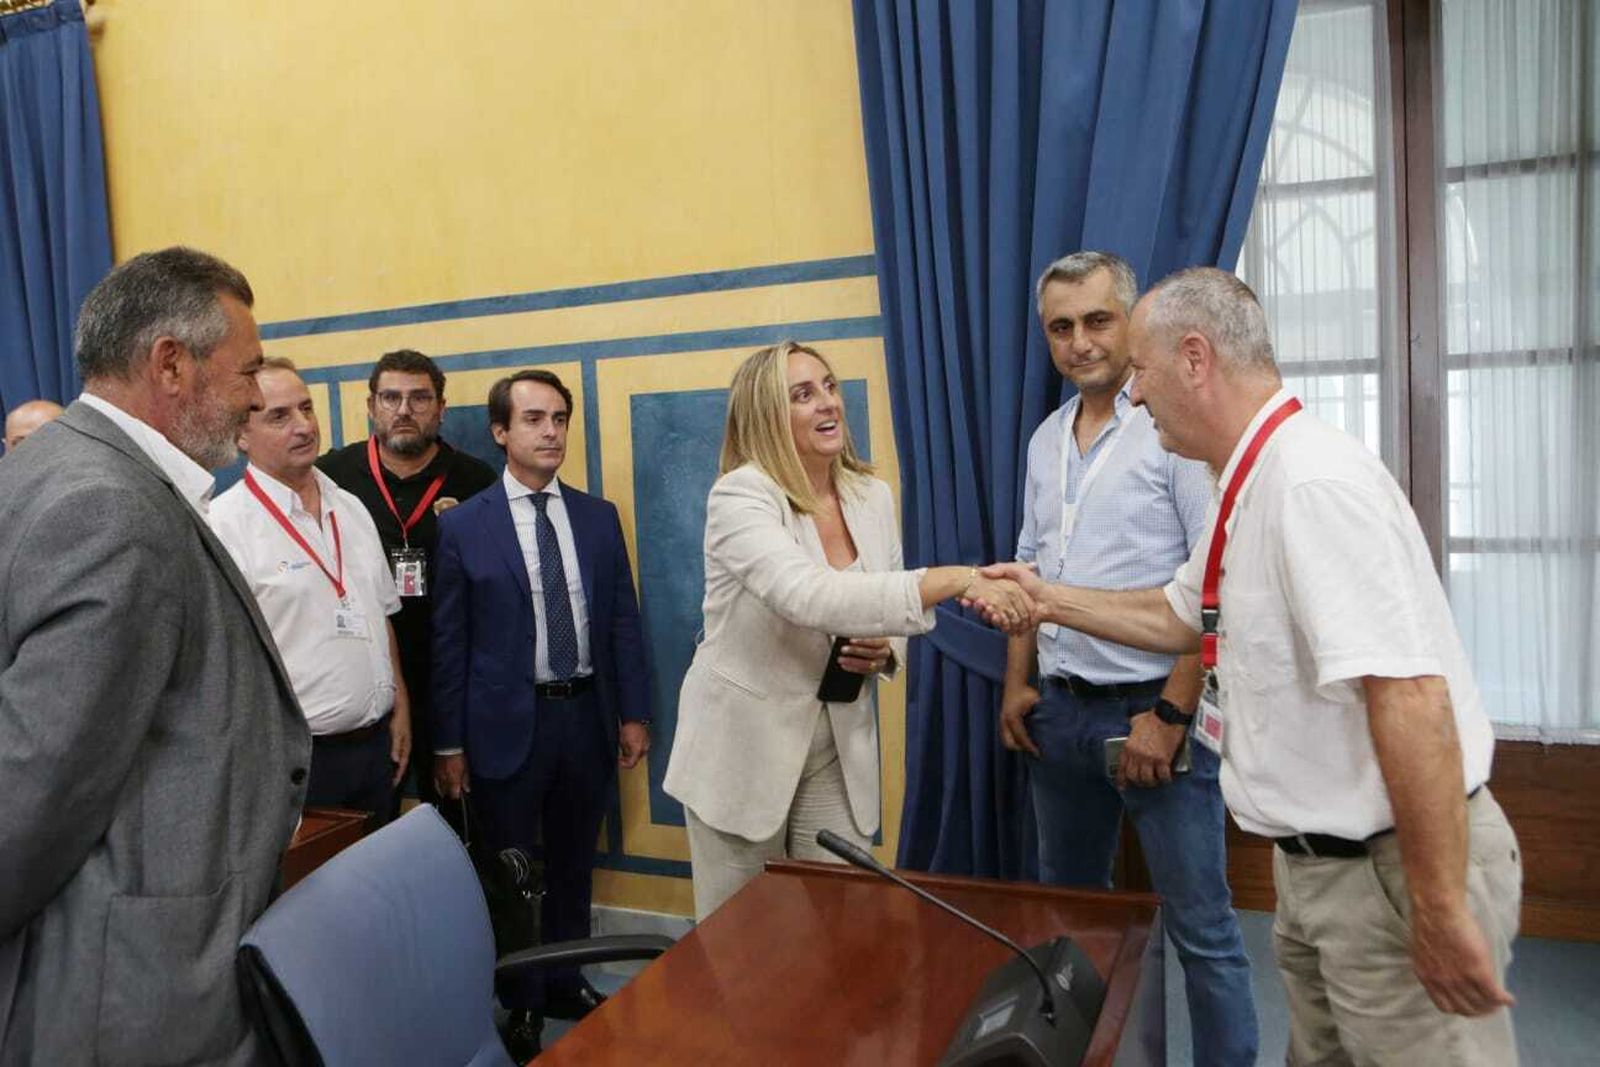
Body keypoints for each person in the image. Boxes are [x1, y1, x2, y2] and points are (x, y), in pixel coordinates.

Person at [977, 267, 1520, 1065]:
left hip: (1391, 873)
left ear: (1195, 359)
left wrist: (1436, 908)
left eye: (1144, 374)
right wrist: (1046, 598)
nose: (1133, 398)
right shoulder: (1245, 480)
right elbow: (1173, 611)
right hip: (1321, 870)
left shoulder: (1310, 484)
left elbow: (1411, 698)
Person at [0, 247, 309, 1064]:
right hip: (138, 992)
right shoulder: (110, 508)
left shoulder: (76, 469)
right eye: (246, 370)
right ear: (170, 362)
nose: (254, 394)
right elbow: (31, 795)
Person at [662, 341, 1036, 922]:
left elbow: (884, 608)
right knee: (744, 947)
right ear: (767, 414)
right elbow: (807, 595)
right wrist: (959, 579)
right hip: (741, 752)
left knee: (843, 922)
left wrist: (887, 649)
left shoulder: (871, 495)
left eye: (829, 386)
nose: (827, 403)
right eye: (803, 395)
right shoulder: (741, 496)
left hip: (836, 746)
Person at [1003, 252, 1255, 1065]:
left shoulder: (1174, 430)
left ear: (1131, 319)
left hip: (1156, 714)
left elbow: (1208, 591)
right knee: (1072, 922)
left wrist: (1172, 715)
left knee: (1202, 932)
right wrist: (1017, 684)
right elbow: (1028, 569)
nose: (1080, 343)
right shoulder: (1045, 442)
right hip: (1062, 715)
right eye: (1061, 327)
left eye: (1098, 321)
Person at [430, 368, 650, 1058]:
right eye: (533, 419)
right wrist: (447, 744)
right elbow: (449, 643)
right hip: (503, 726)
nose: (551, 430)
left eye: (559, 417)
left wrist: (634, 712)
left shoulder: (596, 515)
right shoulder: (465, 526)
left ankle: (564, 978)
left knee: (575, 860)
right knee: (515, 871)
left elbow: (620, 620)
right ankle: (523, 1000)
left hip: (583, 716)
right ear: (501, 432)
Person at [211, 358, 410, 828]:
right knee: (315, 897)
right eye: (278, 416)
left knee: (380, 894)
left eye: (306, 408)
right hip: (297, 763)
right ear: (241, 435)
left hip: (377, 747)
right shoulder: (224, 526)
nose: (303, 426)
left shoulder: (352, 506)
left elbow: (381, 615)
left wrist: (401, 707)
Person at [318, 349, 496, 823]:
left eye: (419, 398)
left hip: (452, 676)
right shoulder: (331, 478)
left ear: (441, 408)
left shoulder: (476, 480)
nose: (404, 410)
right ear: (371, 406)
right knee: (370, 821)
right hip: (370, 675)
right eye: (391, 397)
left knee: (460, 820)